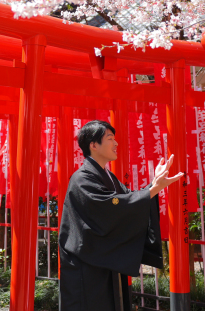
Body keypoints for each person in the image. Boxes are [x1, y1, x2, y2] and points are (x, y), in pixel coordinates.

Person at [59, 120, 183, 311]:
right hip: (86, 265)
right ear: (93, 145)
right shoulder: (81, 178)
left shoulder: (108, 176)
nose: (116, 143)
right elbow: (111, 207)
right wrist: (152, 190)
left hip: (102, 260)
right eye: (110, 139)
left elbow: (126, 203)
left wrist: (153, 185)